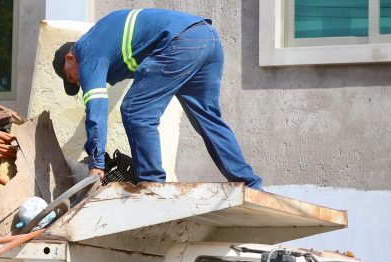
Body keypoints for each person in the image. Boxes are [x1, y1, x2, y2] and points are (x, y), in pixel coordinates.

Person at [52, 8, 262, 189]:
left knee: (135, 110)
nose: (78, 83)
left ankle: (152, 185)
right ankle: (249, 183)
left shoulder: (87, 52)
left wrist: (96, 164)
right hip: (207, 37)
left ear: (70, 58)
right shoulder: (103, 38)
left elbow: (96, 107)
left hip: (178, 43)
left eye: (71, 77)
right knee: (207, 118)